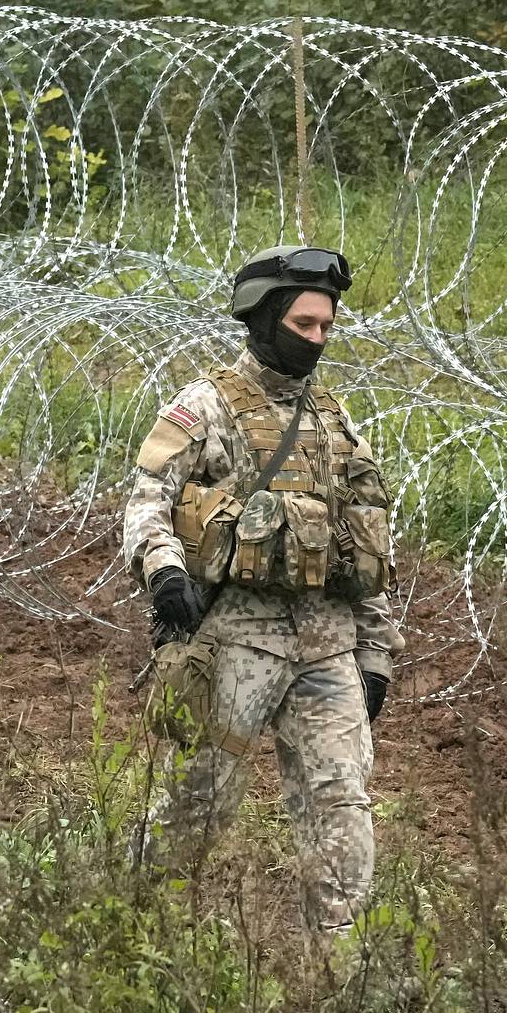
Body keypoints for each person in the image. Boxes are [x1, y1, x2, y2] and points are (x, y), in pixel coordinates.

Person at [123, 244, 404, 952]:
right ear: (265, 317)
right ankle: (136, 930)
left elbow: (366, 545)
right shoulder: (205, 407)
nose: (316, 339)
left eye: (325, 328)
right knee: (199, 800)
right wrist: (164, 574)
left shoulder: (337, 422)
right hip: (237, 644)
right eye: (304, 325)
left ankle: (338, 962)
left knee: (343, 803)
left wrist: (376, 654)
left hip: (327, 649)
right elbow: (147, 502)